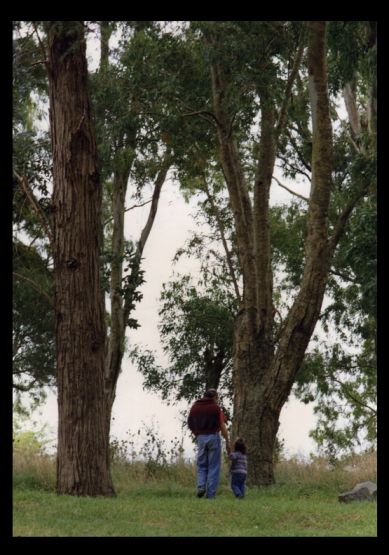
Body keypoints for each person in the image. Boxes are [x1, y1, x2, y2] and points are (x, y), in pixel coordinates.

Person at [188, 388, 230, 499]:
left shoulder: (195, 407)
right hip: (213, 437)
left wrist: (196, 433)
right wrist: (227, 440)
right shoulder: (215, 408)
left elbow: (190, 422)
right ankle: (211, 495)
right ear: (215, 397)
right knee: (213, 466)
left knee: (201, 465)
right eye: (217, 399)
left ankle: (201, 487)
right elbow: (222, 426)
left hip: (201, 438)